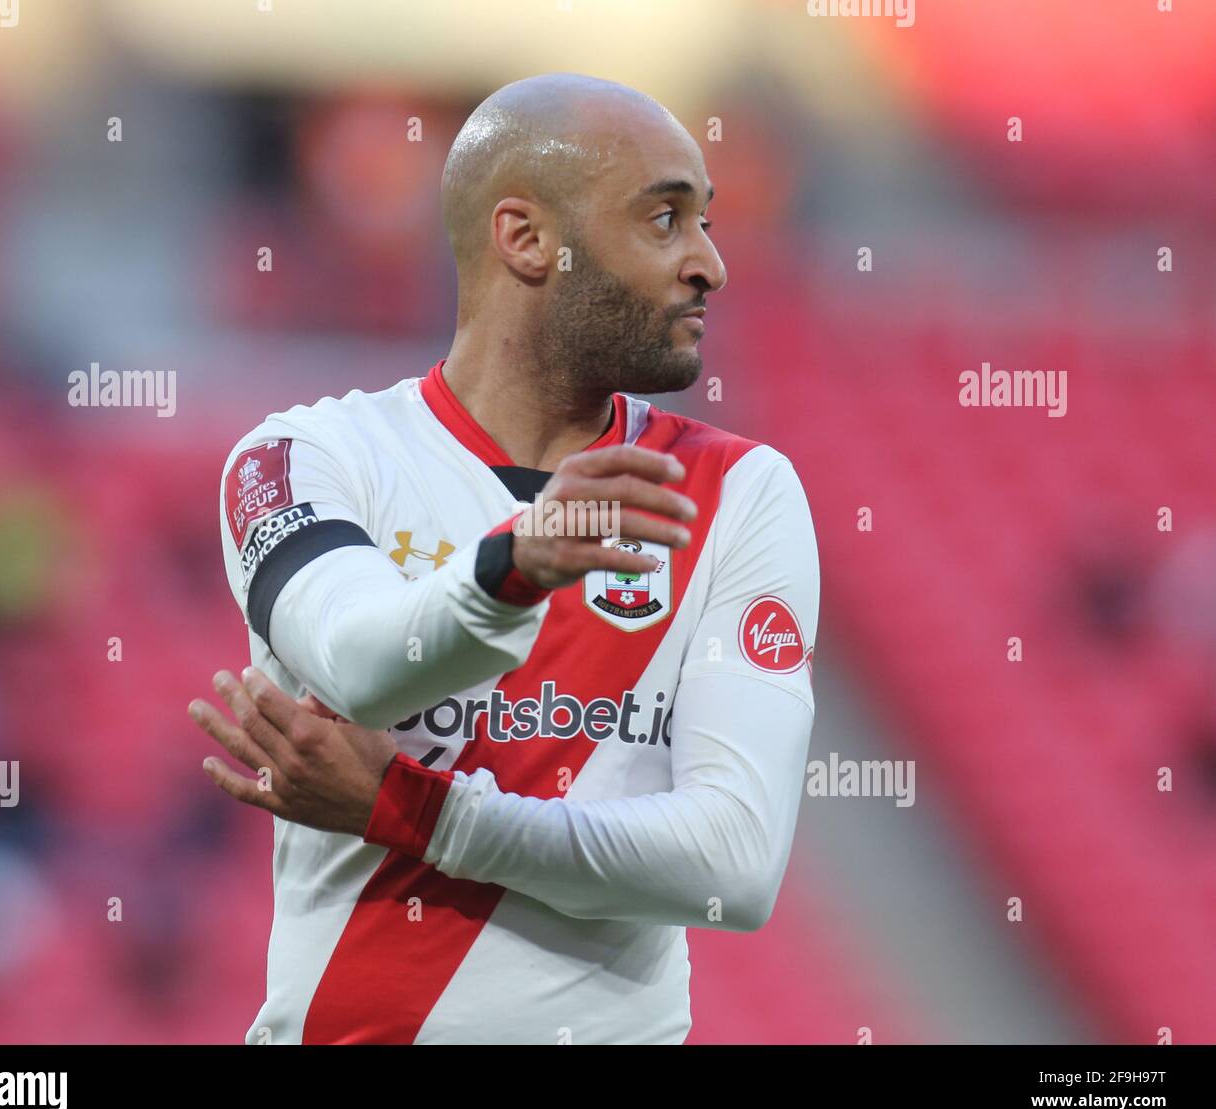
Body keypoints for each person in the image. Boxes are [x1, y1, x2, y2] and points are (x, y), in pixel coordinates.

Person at [189, 73, 820, 1045]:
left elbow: (729, 865)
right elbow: (361, 659)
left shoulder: (740, 492)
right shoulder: (304, 459)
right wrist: (512, 565)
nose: (709, 264)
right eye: (664, 219)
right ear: (526, 239)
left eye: (706, 223)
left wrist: (421, 813)